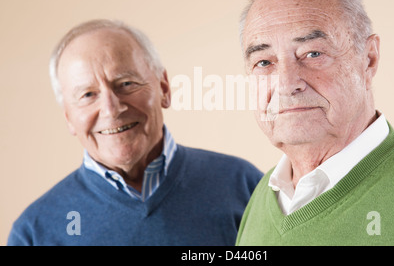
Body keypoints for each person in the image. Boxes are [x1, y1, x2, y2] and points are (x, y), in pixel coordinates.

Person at [236, 0, 394, 246]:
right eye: (264, 62)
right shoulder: (261, 195)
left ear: (369, 59)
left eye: (313, 54)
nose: (287, 84)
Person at [8, 19, 263, 246]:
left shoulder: (244, 185)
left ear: (164, 88)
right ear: (69, 119)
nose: (111, 109)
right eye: (88, 95)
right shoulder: (33, 232)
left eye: (126, 84)